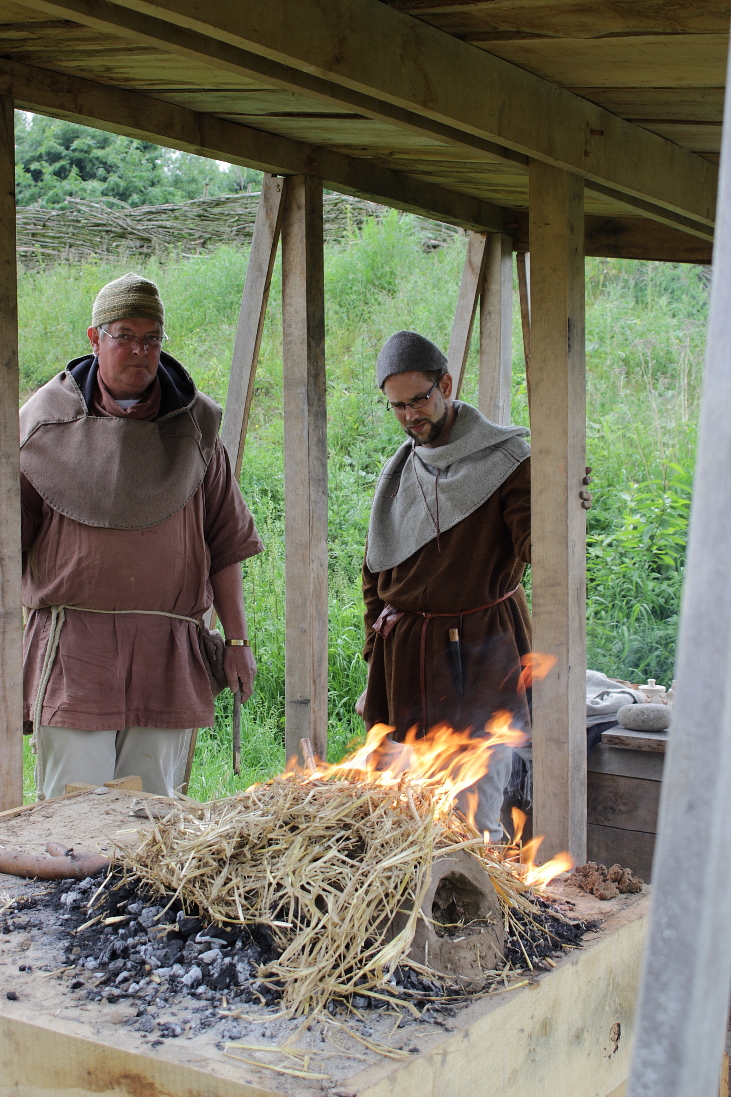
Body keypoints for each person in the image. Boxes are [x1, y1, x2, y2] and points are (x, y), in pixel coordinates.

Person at [20, 272, 263, 800]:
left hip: (166, 650)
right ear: (95, 339)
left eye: (151, 338)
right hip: (74, 650)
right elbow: (6, 547)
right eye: (125, 336)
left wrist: (237, 642)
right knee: (74, 810)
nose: (140, 350)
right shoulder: (41, 426)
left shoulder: (197, 430)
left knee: (150, 813)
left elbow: (226, 544)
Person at [358, 330, 532, 842]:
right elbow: (375, 573)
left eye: (419, 400)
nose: (410, 416)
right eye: (397, 406)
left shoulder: (508, 462)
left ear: (447, 386)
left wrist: (563, 500)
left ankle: (478, 889)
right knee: (401, 819)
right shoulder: (400, 472)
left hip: (481, 654)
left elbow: (538, 545)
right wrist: (375, 658)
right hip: (405, 660)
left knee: (471, 821)